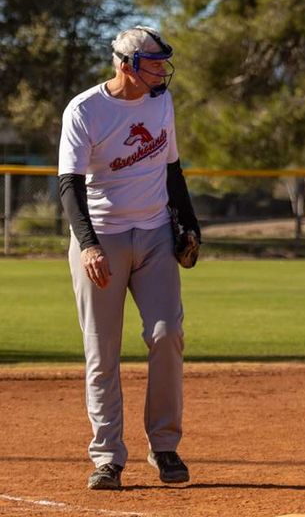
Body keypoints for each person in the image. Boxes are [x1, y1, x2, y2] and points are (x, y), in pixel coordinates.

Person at [58, 26, 200, 491]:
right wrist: (90, 245)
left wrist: (189, 225)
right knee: (103, 353)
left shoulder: (161, 101)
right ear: (126, 65)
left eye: (163, 61)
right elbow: (70, 187)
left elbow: (172, 168)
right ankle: (107, 457)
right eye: (153, 62)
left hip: (156, 233)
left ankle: (163, 446)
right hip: (104, 238)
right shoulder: (85, 110)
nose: (162, 69)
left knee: (167, 334)